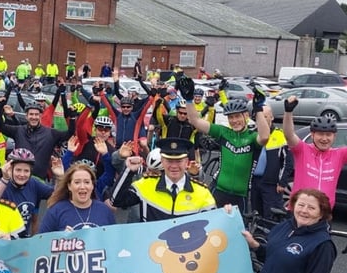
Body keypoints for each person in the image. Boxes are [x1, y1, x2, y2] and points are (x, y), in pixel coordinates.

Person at [180, 76, 269, 209]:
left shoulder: (251, 137)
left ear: (246, 116)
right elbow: (195, 121)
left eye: (237, 116)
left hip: (241, 195)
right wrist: (189, 100)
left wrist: (259, 109)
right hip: (218, 190)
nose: (234, 121)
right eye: (231, 117)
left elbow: (265, 137)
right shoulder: (224, 132)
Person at [110, 137, 216, 222]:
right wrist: (128, 171)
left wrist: (228, 214)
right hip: (151, 247)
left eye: (179, 161)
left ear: (186, 162)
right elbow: (116, 201)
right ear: (162, 161)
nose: (174, 166)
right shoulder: (146, 185)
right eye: (169, 161)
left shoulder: (202, 193)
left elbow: (214, 225)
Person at [282, 96, 347, 208]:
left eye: (328, 135)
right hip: (299, 212)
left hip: (323, 213)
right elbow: (289, 134)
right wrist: (288, 112)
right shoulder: (302, 150)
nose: (324, 138)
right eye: (320, 134)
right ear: (312, 135)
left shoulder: (339, 154)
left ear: (334, 136)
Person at [0, 149, 54, 237]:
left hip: (22, 240)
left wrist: (60, 177)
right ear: (10, 169)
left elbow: (56, 195)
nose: (22, 174)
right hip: (1, 239)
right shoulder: (3, 185)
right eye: (18, 170)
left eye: (26, 171)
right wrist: (5, 179)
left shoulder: (33, 183)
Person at [39, 162, 116, 232]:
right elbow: (42, 241)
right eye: (77, 182)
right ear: (69, 186)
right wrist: (60, 239)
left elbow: (114, 239)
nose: (82, 187)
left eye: (87, 182)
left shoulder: (104, 210)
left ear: (92, 186)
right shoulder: (56, 211)